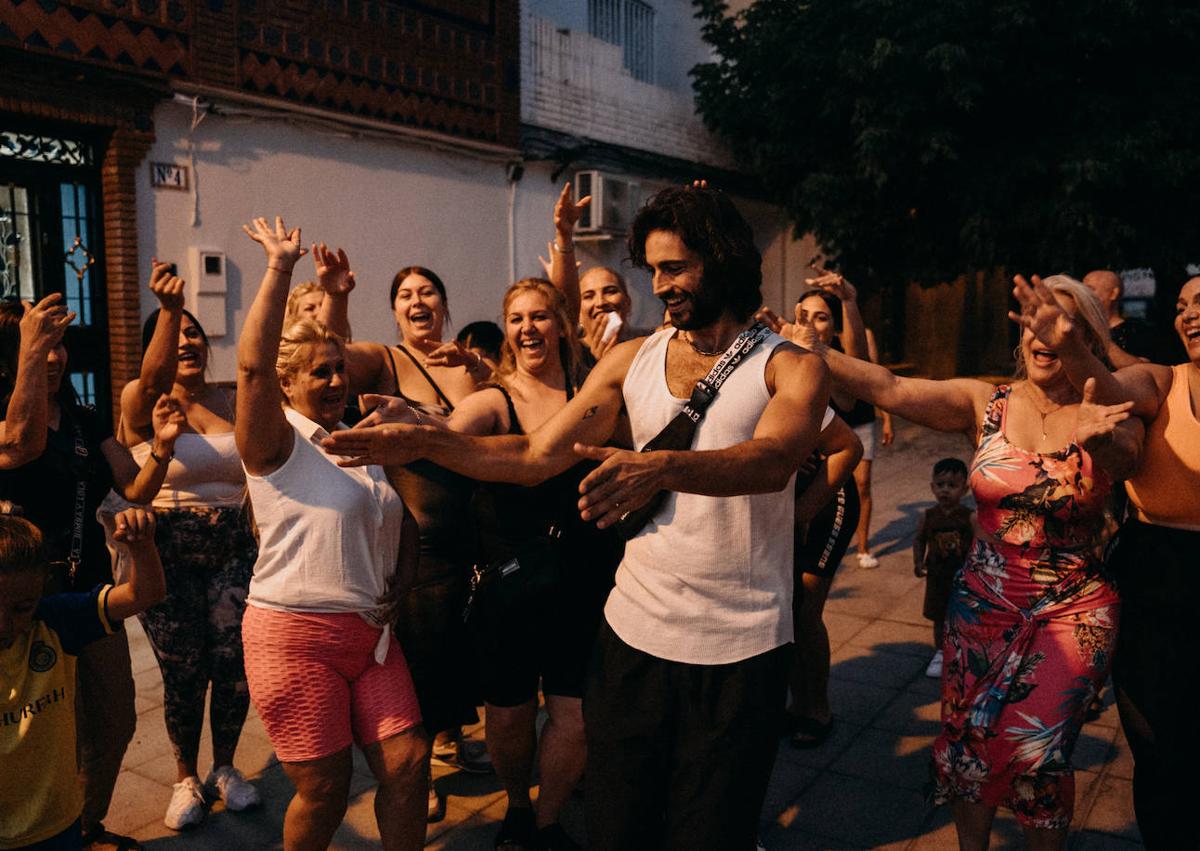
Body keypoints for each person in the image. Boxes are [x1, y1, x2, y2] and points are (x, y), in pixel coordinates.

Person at [325, 184, 832, 850]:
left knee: (708, 829)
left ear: (722, 257)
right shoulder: (632, 359)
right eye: (653, 271)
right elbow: (536, 452)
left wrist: (662, 468)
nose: (661, 286)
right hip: (635, 636)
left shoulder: (789, 367)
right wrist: (430, 441)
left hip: (739, 648)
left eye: (674, 268)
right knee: (618, 823)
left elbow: (772, 461)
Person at [796, 273, 1141, 849]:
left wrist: (1098, 439)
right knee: (965, 747)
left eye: (1063, 322)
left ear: (1087, 339)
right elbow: (890, 387)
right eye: (1035, 317)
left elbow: (1127, 461)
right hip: (981, 606)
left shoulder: (1110, 406)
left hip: (1071, 610)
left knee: (1037, 753)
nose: (1043, 330)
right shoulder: (989, 403)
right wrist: (813, 351)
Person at [236, 216, 428, 849]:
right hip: (294, 637)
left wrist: (400, 580)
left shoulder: (354, 441)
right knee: (325, 790)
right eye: (320, 374)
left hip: (372, 634)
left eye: (340, 370)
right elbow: (252, 370)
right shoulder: (275, 446)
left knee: (409, 766)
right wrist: (279, 269)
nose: (338, 381)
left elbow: (394, 520)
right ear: (287, 384)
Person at [1010, 273, 1200, 849]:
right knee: (1160, 752)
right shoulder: (1162, 381)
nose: (1188, 314)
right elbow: (1113, 386)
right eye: (1182, 304)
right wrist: (1070, 347)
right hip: (1158, 580)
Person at [316, 246, 491, 819]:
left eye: (426, 291)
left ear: (444, 303)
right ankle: (415, 770)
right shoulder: (385, 359)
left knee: (460, 646)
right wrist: (337, 296)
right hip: (417, 535)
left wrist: (483, 372)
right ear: (393, 313)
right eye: (404, 295)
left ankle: (448, 740)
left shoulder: (467, 364)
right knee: (415, 652)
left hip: (474, 528)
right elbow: (334, 351)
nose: (417, 301)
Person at [0, 302, 182, 851]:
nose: (53, 356)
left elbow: (135, 489)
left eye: (59, 344)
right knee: (36, 734)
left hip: (87, 592)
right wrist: (28, 345)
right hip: (18, 602)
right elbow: (19, 445)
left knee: (113, 722)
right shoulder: (7, 419)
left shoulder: (83, 419)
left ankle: (83, 826)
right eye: (39, 345)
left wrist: (164, 448)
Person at [115, 261, 260, 829]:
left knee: (233, 667)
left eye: (195, 334)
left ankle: (225, 768)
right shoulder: (143, 403)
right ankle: (184, 777)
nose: (189, 343)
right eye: (177, 337)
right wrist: (170, 311)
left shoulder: (230, 400)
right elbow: (137, 486)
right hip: (167, 555)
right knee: (183, 673)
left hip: (233, 553)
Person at [1, 510, 165, 851]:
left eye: (21, 608)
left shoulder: (56, 623)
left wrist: (143, 547)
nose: (4, 624)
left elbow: (142, 595)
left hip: (58, 825)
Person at [542, 182, 651, 363]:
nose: (600, 302)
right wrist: (564, 235)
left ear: (628, 302)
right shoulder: (569, 354)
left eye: (610, 291)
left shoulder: (646, 346)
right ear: (578, 307)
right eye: (588, 296)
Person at [911, 457, 973, 679]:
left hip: (962, 578)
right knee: (939, 617)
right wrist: (918, 561)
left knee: (963, 616)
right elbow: (918, 539)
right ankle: (940, 652)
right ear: (932, 487)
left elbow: (977, 543)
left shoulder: (968, 517)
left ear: (964, 489)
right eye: (940, 485)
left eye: (952, 486)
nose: (945, 490)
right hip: (937, 577)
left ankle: (961, 650)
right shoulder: (928, 516)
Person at [1081, 269, 1163, 367]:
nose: (1083, 296)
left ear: (1113, 294)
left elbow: (1143, 369)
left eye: (1090, 290)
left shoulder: (1137, 330)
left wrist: (1101, 336)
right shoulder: (1079, 328)